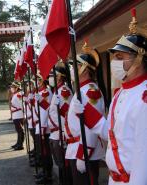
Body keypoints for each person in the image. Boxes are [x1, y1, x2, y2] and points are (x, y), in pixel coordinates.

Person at [71, 12, 147, 185]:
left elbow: (143, 157)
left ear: (139, 58)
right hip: (114, 180)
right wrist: (86, 112)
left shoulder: (144, 98)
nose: (115, 61)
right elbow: (112, 133)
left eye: (121, 57)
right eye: (115, 57)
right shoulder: (121, 93)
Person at [66, 42, 106, 185]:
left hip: (85, 151)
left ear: (84, 69)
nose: (71, 69)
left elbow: (91, 128)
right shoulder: (81, 90)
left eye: (74, 66)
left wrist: (83, 155)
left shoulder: (90, 92)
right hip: (77, 148)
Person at [48, 63, 73, 185]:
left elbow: (67, 114)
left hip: (60, 133)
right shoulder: (57, 90)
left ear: (60, 77)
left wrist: (64, 132)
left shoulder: (64, 91)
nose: (50, 78)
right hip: (54, 133)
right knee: (59, 164)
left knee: (64, 165)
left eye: (53, 75)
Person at [34, 73, 53, 184]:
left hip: (44, 126)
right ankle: (44, 171)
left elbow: (47, 109)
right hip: (39, 124)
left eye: (38, 80)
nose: (37, 82)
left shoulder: (46, 92)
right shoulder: (40, 92)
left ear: (42, 81)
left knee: (46, 152)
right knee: (42, 151)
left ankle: (48, 174)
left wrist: (43, 127)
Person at [10, 81, 25, 151]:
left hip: (19, 115)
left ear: (17, 88)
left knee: (20, 130)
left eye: (13, 87)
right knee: (18, 130)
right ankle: (18, 143)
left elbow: (22, 105)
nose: (11, 88)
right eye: (11, 87)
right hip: (15, 115)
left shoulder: (19, 94)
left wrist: (23, 115)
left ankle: (20, 145)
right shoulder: (15, 94)